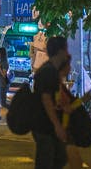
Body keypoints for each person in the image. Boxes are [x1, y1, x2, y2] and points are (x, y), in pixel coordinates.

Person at [32, 36, 70, 169]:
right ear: (60, 51)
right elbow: (46, 99)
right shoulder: (48, 71)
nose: (67, 52)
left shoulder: (51, 70)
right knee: (48, 161)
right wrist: (57, 125)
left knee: (57, 159)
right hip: (44, 126)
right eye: (66, 49)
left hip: (46, 126)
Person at [0, 47, 10, 117]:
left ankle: (13, 109)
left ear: (1, 54)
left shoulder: (4, 63)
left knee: (3, 103)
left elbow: (4, 75)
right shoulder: (0, 62)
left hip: (2, 84)